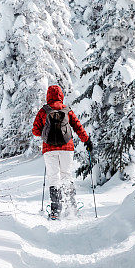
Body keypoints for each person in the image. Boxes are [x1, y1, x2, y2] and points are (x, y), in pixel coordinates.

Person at [32, 84, 92, 219]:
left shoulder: (44, 110)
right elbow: (78, 127)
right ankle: (72, 208)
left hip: (49, 149)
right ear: (61, 95)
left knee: (54, 177)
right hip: (67, 148)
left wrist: (45, 133)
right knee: (66, 175)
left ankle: (55, 211)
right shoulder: (67, 110)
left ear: (48, 95)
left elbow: (35, 131)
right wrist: (86, 141)